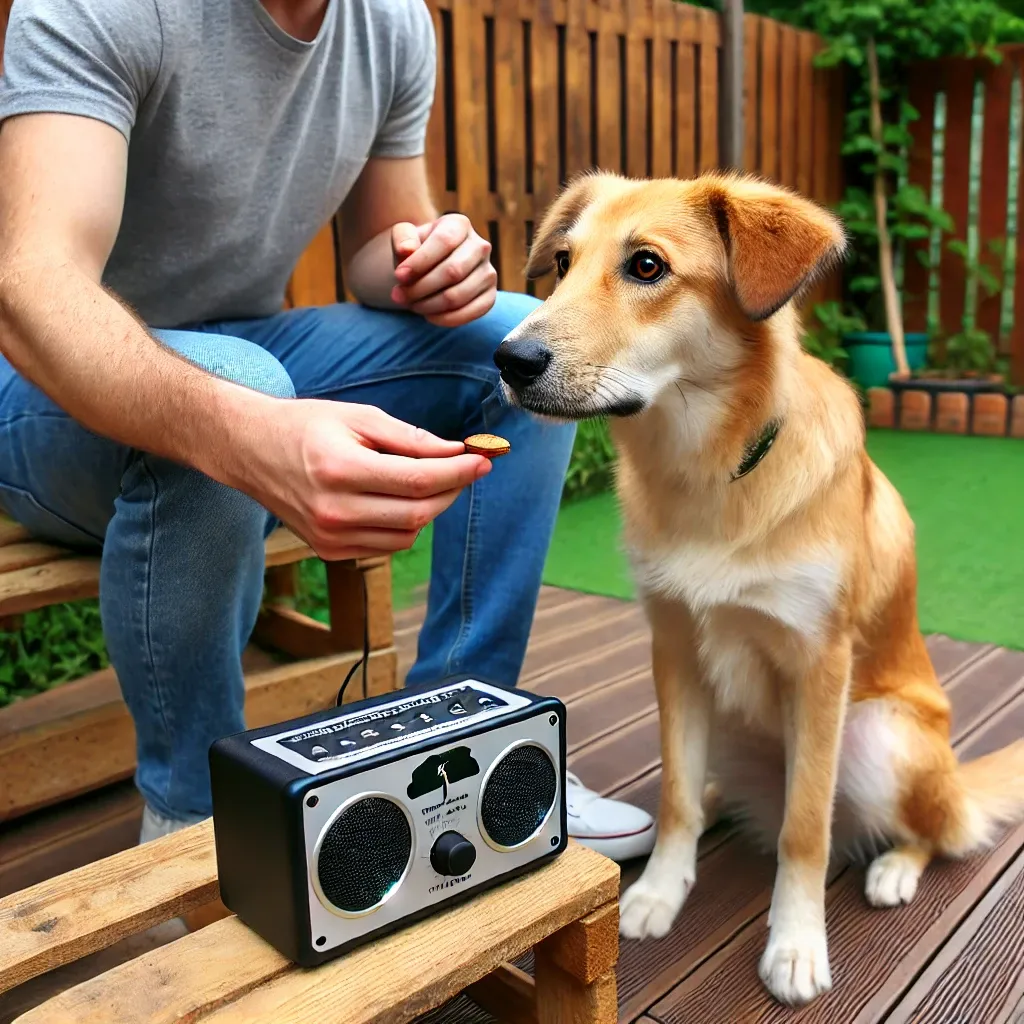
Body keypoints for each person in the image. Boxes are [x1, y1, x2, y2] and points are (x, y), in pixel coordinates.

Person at [0, 0, 654, 863]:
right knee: (237, 385)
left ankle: (463, 740)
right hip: (45, 389)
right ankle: (194, 820)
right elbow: (33, 286)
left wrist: (428, 268)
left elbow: (380, 246)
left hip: (251, 345)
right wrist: (245, 429)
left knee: (515, 339)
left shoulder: (390, 23)